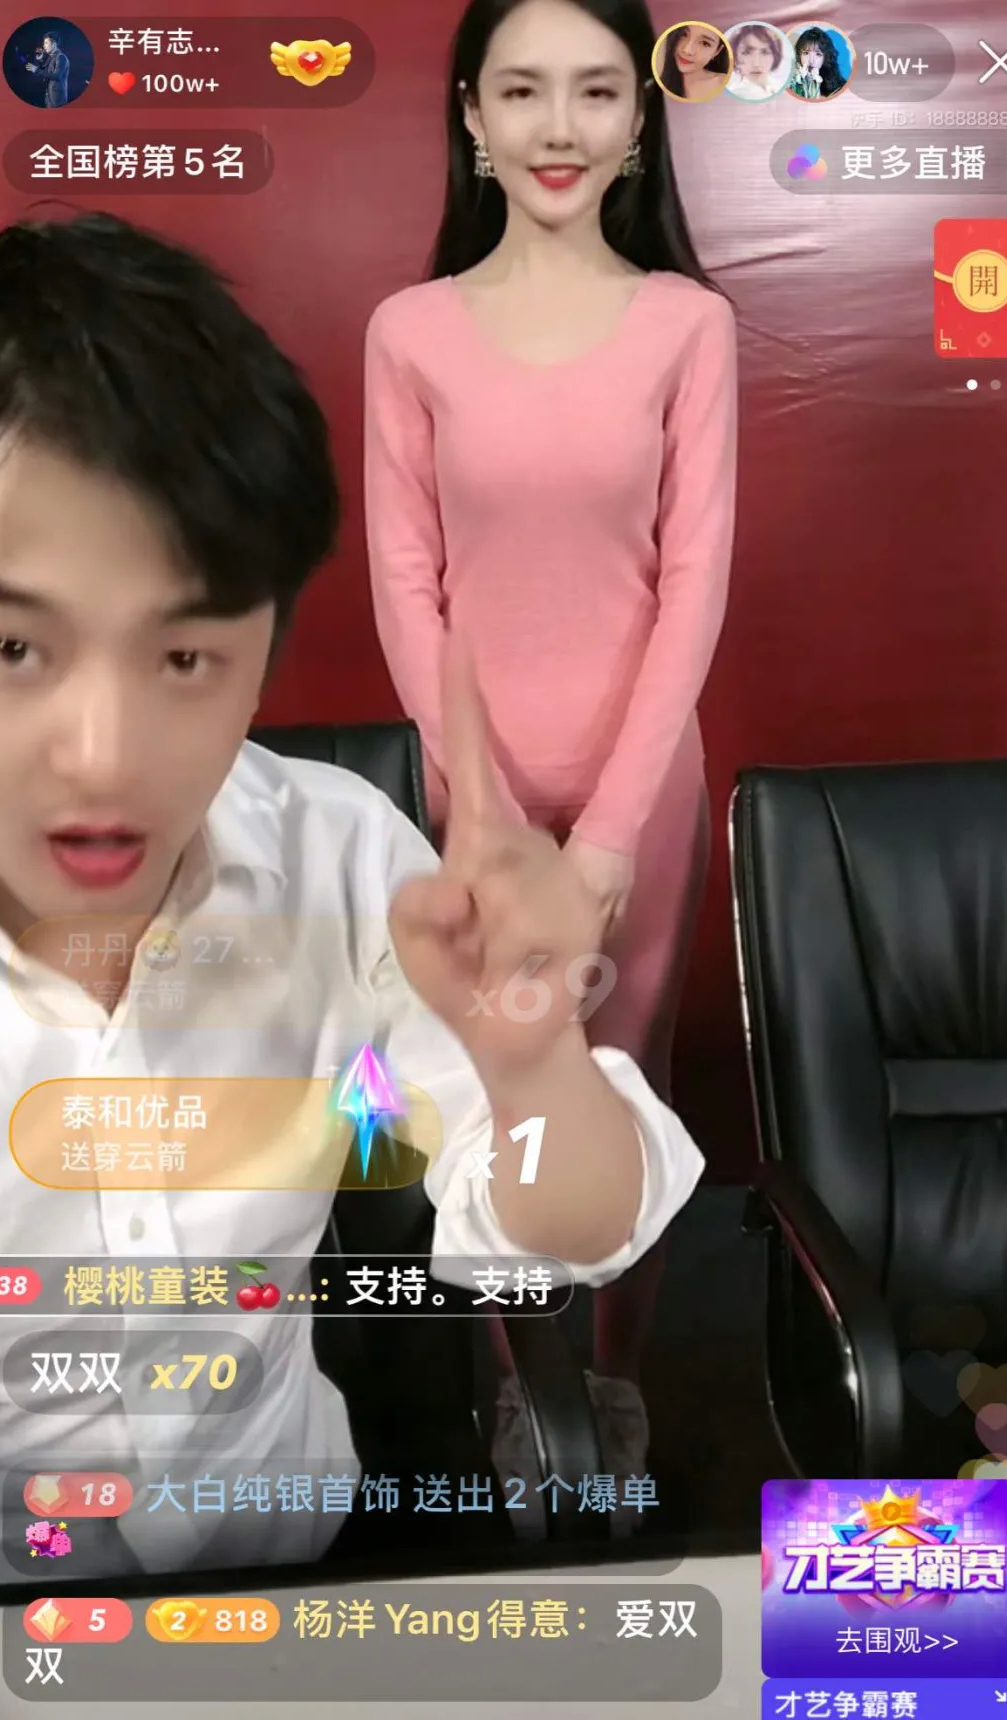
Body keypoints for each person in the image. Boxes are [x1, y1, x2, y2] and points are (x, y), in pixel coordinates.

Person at [0, 211, 704, 1583]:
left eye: (184, 658)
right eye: (14, 646)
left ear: (264, 656)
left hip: (286, 1582)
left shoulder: (339, 855)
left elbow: (570, 1228)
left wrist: (535, 1062)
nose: (103, 754)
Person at [363, 0, 736, 1488]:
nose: (559, 127)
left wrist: (607, 839)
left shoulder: (688, 325)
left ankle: (618, 1382)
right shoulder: (410, 331)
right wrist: (493, 818)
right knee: (498, 1081)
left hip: (643, 788)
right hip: (475, 792)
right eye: (523, 92)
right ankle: (523, 1391)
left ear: (640, 122)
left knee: (624, 1073)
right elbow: (408, 583)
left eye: (595, 92)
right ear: (472, 116)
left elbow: (694, 581)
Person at [658, 21, 730, 102]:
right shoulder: (660, 83)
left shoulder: (728, 84)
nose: (687, 50)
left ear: (717, 51)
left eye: (705, 43)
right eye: (684, 34)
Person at [725, 22, 787, 101]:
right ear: (735, 57)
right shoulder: (739, 93)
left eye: (765, 52)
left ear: (775, 57)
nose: (756, 63)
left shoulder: (777, 87)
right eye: (746, 52)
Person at [786, 25, 846, 101]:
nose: (811, 60)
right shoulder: (791, 83)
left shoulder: (840, 87)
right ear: (799, 55)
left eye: (818, 54)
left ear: (825, 57)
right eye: (806, 53)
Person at [26, 31, 71, 107]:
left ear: (54, 44)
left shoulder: (61, 57)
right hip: (49, 98)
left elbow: (57, 76)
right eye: (44, 43)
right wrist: (39, 60)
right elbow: (43, 72)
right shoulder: (50, 58)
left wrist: (37, 70)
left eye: (46, 43)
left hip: (57, 99)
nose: (44, 46)